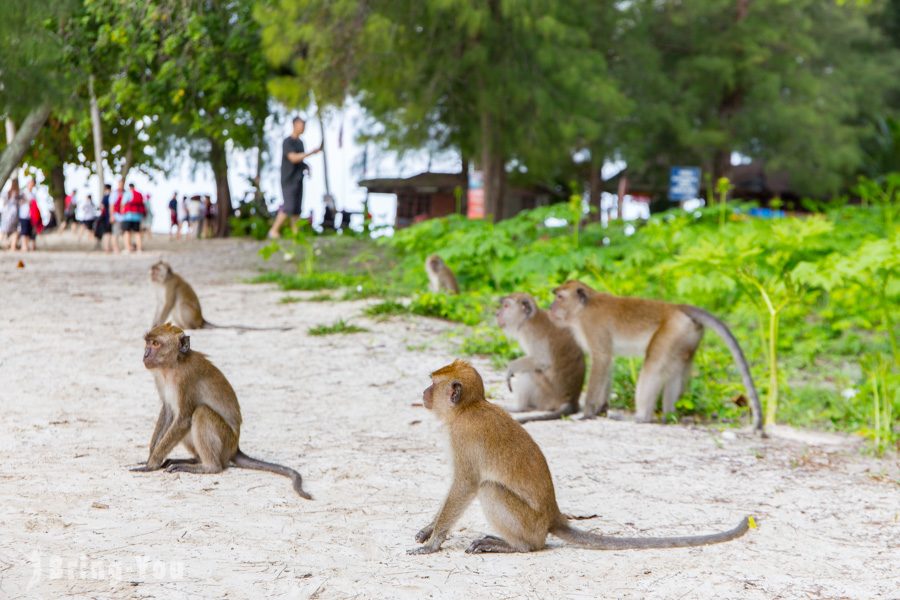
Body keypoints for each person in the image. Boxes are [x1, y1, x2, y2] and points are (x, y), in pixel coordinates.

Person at [268, 116, 323, 239]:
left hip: (298, 179)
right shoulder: (287, 142)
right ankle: (273, 231)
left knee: (297, 209)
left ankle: (296, 234)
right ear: (294, 124)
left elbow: (300, 160)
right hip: (288, 179)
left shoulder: (300, 142)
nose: (303, 127)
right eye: (301, 124)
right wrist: (312, 153)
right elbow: (293, 158)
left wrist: (306, 167)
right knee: (289, 206)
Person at [120, 182, 145, 253]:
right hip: (137, 216)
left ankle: (128, 249)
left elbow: (123, 204)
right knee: (137, 233)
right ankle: (139, 249)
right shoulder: (139, 194)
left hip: (128, 216)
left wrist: (122, 213)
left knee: (127, 232)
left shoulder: (127, 193)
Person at [93, 183, 113, 252]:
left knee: (106, 233)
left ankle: (106, 247)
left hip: (105, 217)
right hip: (109, 217)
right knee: (109, 233)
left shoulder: (106, 196)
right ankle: (107, 247)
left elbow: (101, 206)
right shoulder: (111, 196)